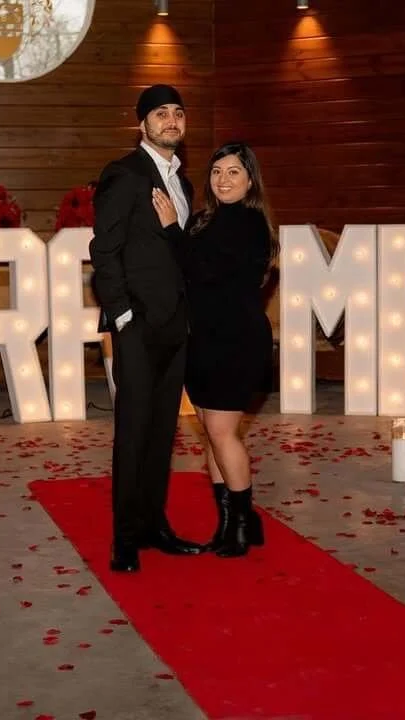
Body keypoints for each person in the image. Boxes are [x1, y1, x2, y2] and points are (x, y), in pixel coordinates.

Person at [89, 84, 204, 573]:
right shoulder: (124, 174)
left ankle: (155, 525)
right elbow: (103, 251)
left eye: (178, 113)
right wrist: (123, 314)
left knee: (163, 433)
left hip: (175, 327)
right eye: (161, 114)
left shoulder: (185, 182)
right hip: (136, 327)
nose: (172, 121)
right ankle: (125, 540)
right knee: (133, 433)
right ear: (143, 124)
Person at [152, 141, 274, 557]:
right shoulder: (203, 220)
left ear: (250, 180)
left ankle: (240, 526)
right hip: (202, 340)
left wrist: (171, 229)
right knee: (212, 435)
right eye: (217, 171)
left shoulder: (251, 224)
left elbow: (203, 271)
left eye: (233, 172)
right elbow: (182, 272)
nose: (223, 179)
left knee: (222, 434)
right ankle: (231, 522)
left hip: (235, 341)